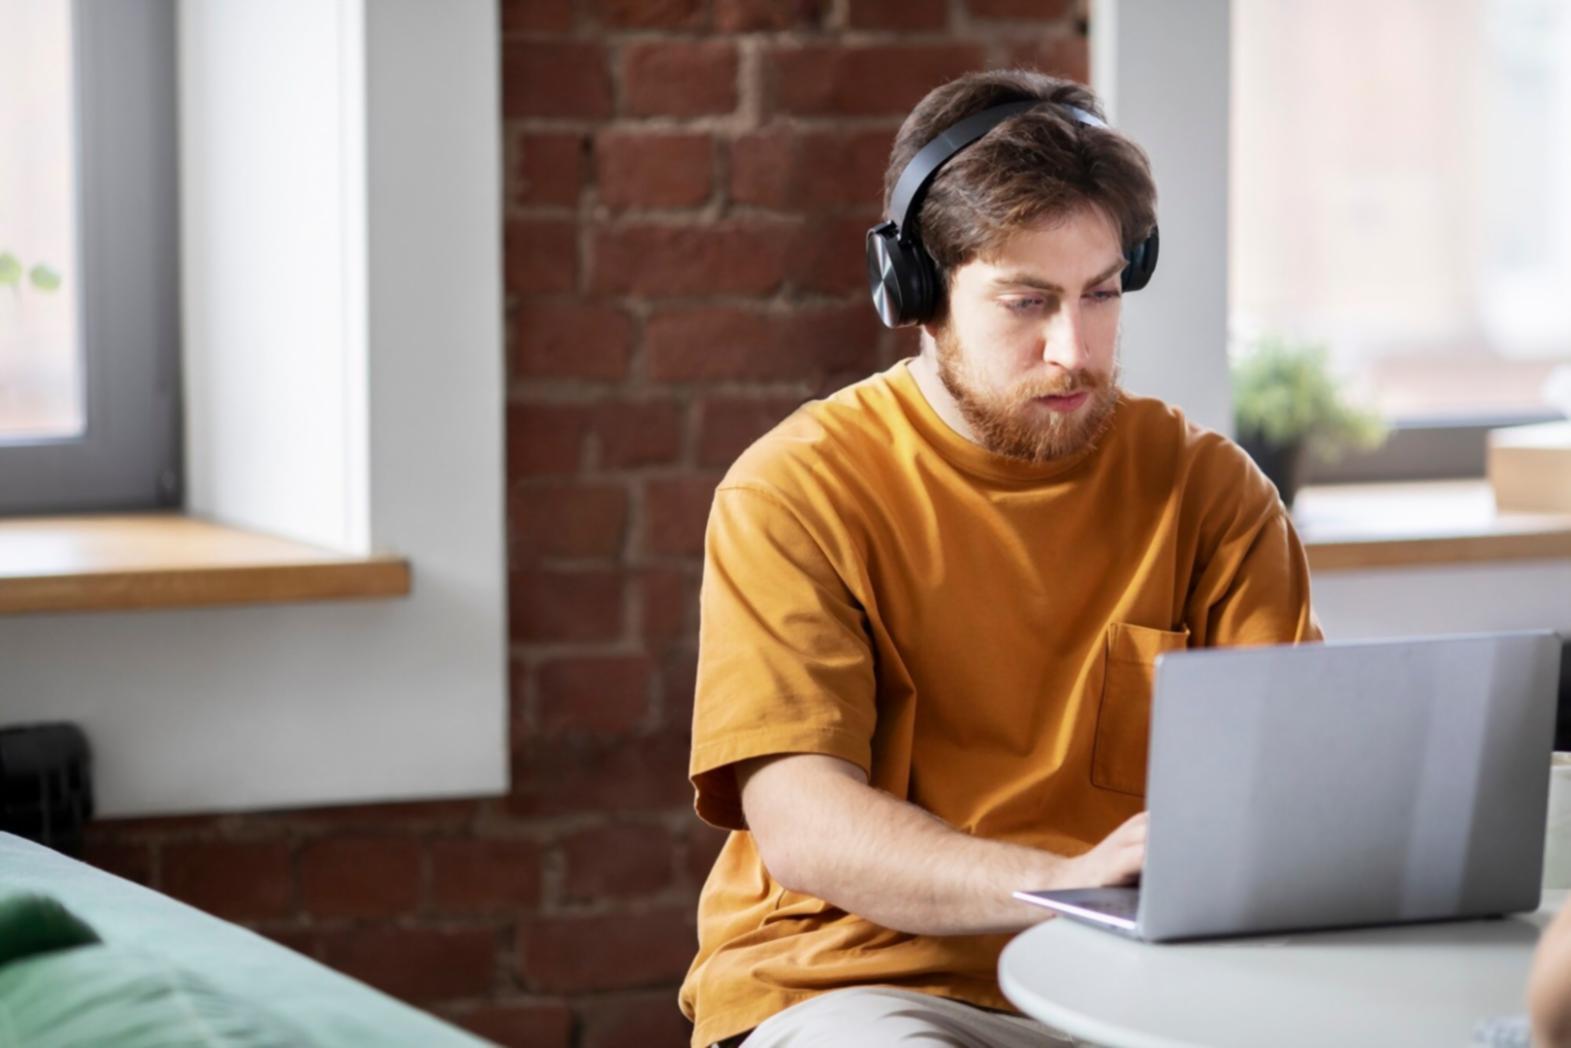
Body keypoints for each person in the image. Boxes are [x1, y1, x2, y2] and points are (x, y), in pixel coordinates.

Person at [678, 68, 1322, 1048]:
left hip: (1138, 985)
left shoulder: (1207, 489)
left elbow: (1289, 774)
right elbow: (803, 823)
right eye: (1026, 302)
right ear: (918, 293)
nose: (1074, 347)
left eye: (1099, 293)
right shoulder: (793, 491)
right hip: (859, 988)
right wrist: (1062, 882)